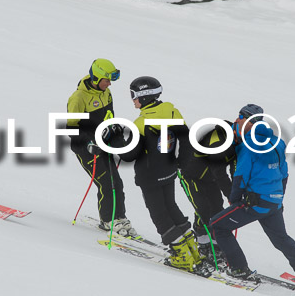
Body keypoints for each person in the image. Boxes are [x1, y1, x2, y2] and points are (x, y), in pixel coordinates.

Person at [210, 104, 295, 296]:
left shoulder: (249, 145)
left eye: (240, 117)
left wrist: (234, 199)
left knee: (218, 226)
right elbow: (283, 173)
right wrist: (279, 197)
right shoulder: (278, 142)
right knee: (283, 240)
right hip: (274, 202)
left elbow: (241, 176)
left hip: (255, 202)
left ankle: (238, 269)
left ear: (250, 121)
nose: (237, 119)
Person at [118, 76, 203, 273]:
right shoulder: (171, 110)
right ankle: (192, 249)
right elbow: (186, 139)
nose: (132, 100)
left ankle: (182, 255)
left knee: (159, 214)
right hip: (169, 171)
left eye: (134, 95)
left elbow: (129, 155)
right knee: (171, 206)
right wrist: (181, 162)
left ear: (144, 97)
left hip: (149, 176)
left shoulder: (140, 123)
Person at [66, 58, 137, 237]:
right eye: (106, 80)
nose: (109, 83)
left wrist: (118, 138)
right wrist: (88, 143)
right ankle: (108, 220)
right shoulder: (78, 97)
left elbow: (110, 118)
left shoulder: (106, 92)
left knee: (117, 182)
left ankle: (120, 217)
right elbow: (71, 128)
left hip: (103, 143)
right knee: (106, 182)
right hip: (85, 147)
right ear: (96, 78)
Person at [178, 120, 236, 263]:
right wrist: (231, 195)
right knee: (202, 208)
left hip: (210, 179)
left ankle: (216, 245)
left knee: (217, 209)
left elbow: (235, 170)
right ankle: (202, 243)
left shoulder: (235, 144)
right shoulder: (217, 142)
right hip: (191, 177)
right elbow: (220, 173)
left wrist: (236, 192)